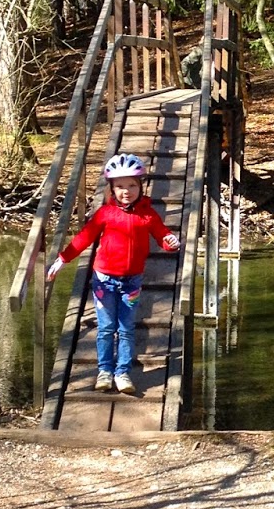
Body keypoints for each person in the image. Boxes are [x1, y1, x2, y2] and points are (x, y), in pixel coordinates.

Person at [46, 154, 179, 394]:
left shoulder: (147, 214)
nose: (126, 191)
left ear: (140, 186)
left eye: (131, 185)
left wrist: (171, 243)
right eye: (119, 186)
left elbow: (163, 237)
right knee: (107, 328)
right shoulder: (105, 214)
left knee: (126, 328)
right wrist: (63, 259)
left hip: (132, 281)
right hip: (104, 280)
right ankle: (104, 371)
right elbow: (84, 238)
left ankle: (123, 373)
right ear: (111, 189)